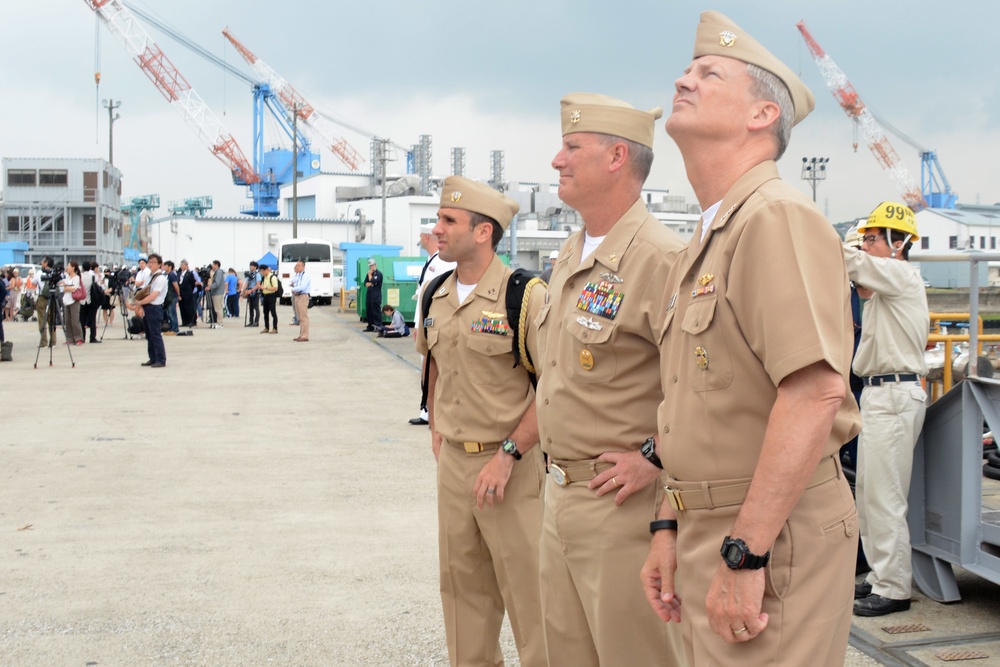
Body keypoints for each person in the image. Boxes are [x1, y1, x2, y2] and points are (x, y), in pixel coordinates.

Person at [641, 12, 861, 666]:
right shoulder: (706, 241)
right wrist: (667, 523)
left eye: (708, 73)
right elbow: (691, 410)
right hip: (716, 524)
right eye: (687, 69)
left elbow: (815, 393)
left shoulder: (775, 219)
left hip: (771, 531)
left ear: (763, 114)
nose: (684, 79)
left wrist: (748, 551)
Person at [533, 93, 686, 667]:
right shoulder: (571, 252)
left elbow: (697, 387)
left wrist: (654, 454)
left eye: (572, 148)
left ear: (618, 156)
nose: (557, 160)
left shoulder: (662, 258)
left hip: (623, 508)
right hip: (561, 497)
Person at [416, 175, 547, 667]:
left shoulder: (525, 296)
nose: (438, 228)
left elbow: (552, 390)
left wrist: (509, 454)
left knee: (531, 599)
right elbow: (432, 367)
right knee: (462, 594)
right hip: (455, 466)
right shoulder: (435, 295)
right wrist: (437, 433)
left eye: (449, 220)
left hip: (510, 469)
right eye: (439, 218)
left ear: (483, 232)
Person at [844, 202, 929, 617]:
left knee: (885, 497)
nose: (865, 244)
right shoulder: (888, 284)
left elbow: (851, 263)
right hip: (881, 395)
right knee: (870, 493)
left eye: (873, 238)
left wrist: (832, 241)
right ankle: (880, 576)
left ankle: (894, 588)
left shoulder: (900, 275)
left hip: (893, 396)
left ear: (899, 244)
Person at [410, 223, 457, 426]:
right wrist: (416, 324)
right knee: (426, 369)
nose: (420, 239)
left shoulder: (444, 263)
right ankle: (427, 411)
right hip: (424, 322)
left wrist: (424, 325)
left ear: (427, 238)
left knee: (432, 370)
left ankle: (432, 412)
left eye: (421, 236)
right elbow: (422, 296)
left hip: (433, 324)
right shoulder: (432, 260)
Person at [127, 253, 168, 368]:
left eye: (154, 262)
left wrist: (139, 303)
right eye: (149, 262)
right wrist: (139, 306)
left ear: (160, 264)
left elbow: (153, 296)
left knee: (155, 334)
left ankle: (161, 359)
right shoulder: (148, 276)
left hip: (155, 308)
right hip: (147, 307)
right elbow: (143, 292)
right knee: (149, 335)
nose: (151, 264)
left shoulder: (161, 278)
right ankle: (153, 357)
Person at [60, 261, 84, 346]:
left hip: (74, 300)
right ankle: (69, 338)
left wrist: (66, 287)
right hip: (66, 300)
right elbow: (63, 288)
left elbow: (74, 288)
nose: (67, 267)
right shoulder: (67, 277)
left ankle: (78, 338)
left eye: (68, 266)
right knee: (67, 321)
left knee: (75, 321)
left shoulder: (76, 277)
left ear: (73, 267)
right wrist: (67, 287)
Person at [35, 257, 56, 347]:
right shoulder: (55, 273)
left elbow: (34, 282)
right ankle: (53, 341)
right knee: (52, 320)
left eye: (43, 262)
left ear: (46, 263)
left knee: (42, 320)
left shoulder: (40, 273)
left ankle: (44, 342)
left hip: (42, 298)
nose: (41, 263)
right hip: (53, 297)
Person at [290, 261, 311, 342]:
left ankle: (305, 335)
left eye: (299, 266)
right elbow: (294, 284)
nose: (297, 267)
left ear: (303, 267)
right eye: (296, 266)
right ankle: (301, 334)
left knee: (303, 317)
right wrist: (294, 288)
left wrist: (294, 289)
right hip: (297, 296)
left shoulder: (305, 276)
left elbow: (302, 286)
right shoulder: (298, 276)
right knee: (299, 317)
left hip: (303, 296)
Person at [177, 260, 199, 328]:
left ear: (186, 266)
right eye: (181, 265)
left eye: (183, 265)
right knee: (182, 307)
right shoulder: (179, 273)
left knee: (189, 307)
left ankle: (191, 321)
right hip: (181, 292)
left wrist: (190, 290)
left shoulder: (189, 273)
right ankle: (184, 321)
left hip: (188, 292)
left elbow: (192, 283)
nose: (182, 266)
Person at [363, 258, 383, 332]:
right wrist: (370, 282)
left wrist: (370, 277)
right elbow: (365, 283)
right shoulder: (368, 274)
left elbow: (373, 281)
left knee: (376, 310)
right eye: (370, 266)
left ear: (375, 265)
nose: (371, 267)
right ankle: (370, 325)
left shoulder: (379, 274)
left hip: (376, 295)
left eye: (373, 265)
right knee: (369, 310)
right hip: (369, 295)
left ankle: (378, 325)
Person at [259, 264, 279, 334]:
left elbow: (275, 288)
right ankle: (266, 327)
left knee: (273, 312)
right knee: (265, 312)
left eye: (262, 271)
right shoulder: (264, 277)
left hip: (271, 295)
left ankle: (275, 328)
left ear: (266, 270)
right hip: (265, 296)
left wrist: (265, 288)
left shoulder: (272, 277)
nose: (262, 273)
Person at [162, 260, 181, 335]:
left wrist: (178, 294)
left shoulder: (172, 275)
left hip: (172, 296)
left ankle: (175, 329)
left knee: (172, 313)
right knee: (168, 313)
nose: (163, 267)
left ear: (169, 267)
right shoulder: (165, 274)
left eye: (165, 266)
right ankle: (170, 328)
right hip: (167, 297)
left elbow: (176, 286)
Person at [208, 260, 225, 328]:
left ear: (216, 265)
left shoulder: (218, 272)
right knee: (218, 308)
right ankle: (219, 322)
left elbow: (217, 283)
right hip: (217, 292)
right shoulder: (218, 272)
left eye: (213, 264)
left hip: (217, 292)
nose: (212, 266)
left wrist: (210, 287)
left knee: (218, 309)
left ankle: (220, 323)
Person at [244, 261, 261, 327]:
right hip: (249, 293)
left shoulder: (257, 275)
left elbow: (258, 285)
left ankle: (256, 321)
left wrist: (251, 290)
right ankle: (251, 321)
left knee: (256, 307)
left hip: (255, 292)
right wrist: (243, 291)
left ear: (255, 267)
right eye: (250, 266)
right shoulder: (249, 274)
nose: (250, 267)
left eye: (252, 266)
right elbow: (246, 283)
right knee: (250, 308)